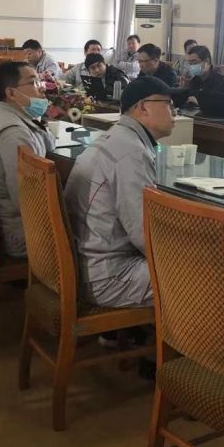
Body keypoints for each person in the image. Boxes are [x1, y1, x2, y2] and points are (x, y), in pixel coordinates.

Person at [64, 77, 176, 308]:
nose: (174, 111)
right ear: (143, 107)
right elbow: (144, 235)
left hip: (86, 261)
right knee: (207, 277)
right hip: (108, 276)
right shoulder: (131, 152)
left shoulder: (116, 137)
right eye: (168, 103)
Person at [0, 61, 55, 258]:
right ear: (11, 93)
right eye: (34, 82)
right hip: (20, 232)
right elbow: (27, 199)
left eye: (40, 82)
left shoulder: (2, 115)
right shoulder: (14, 134)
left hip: (7, 220)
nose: (42, 88)